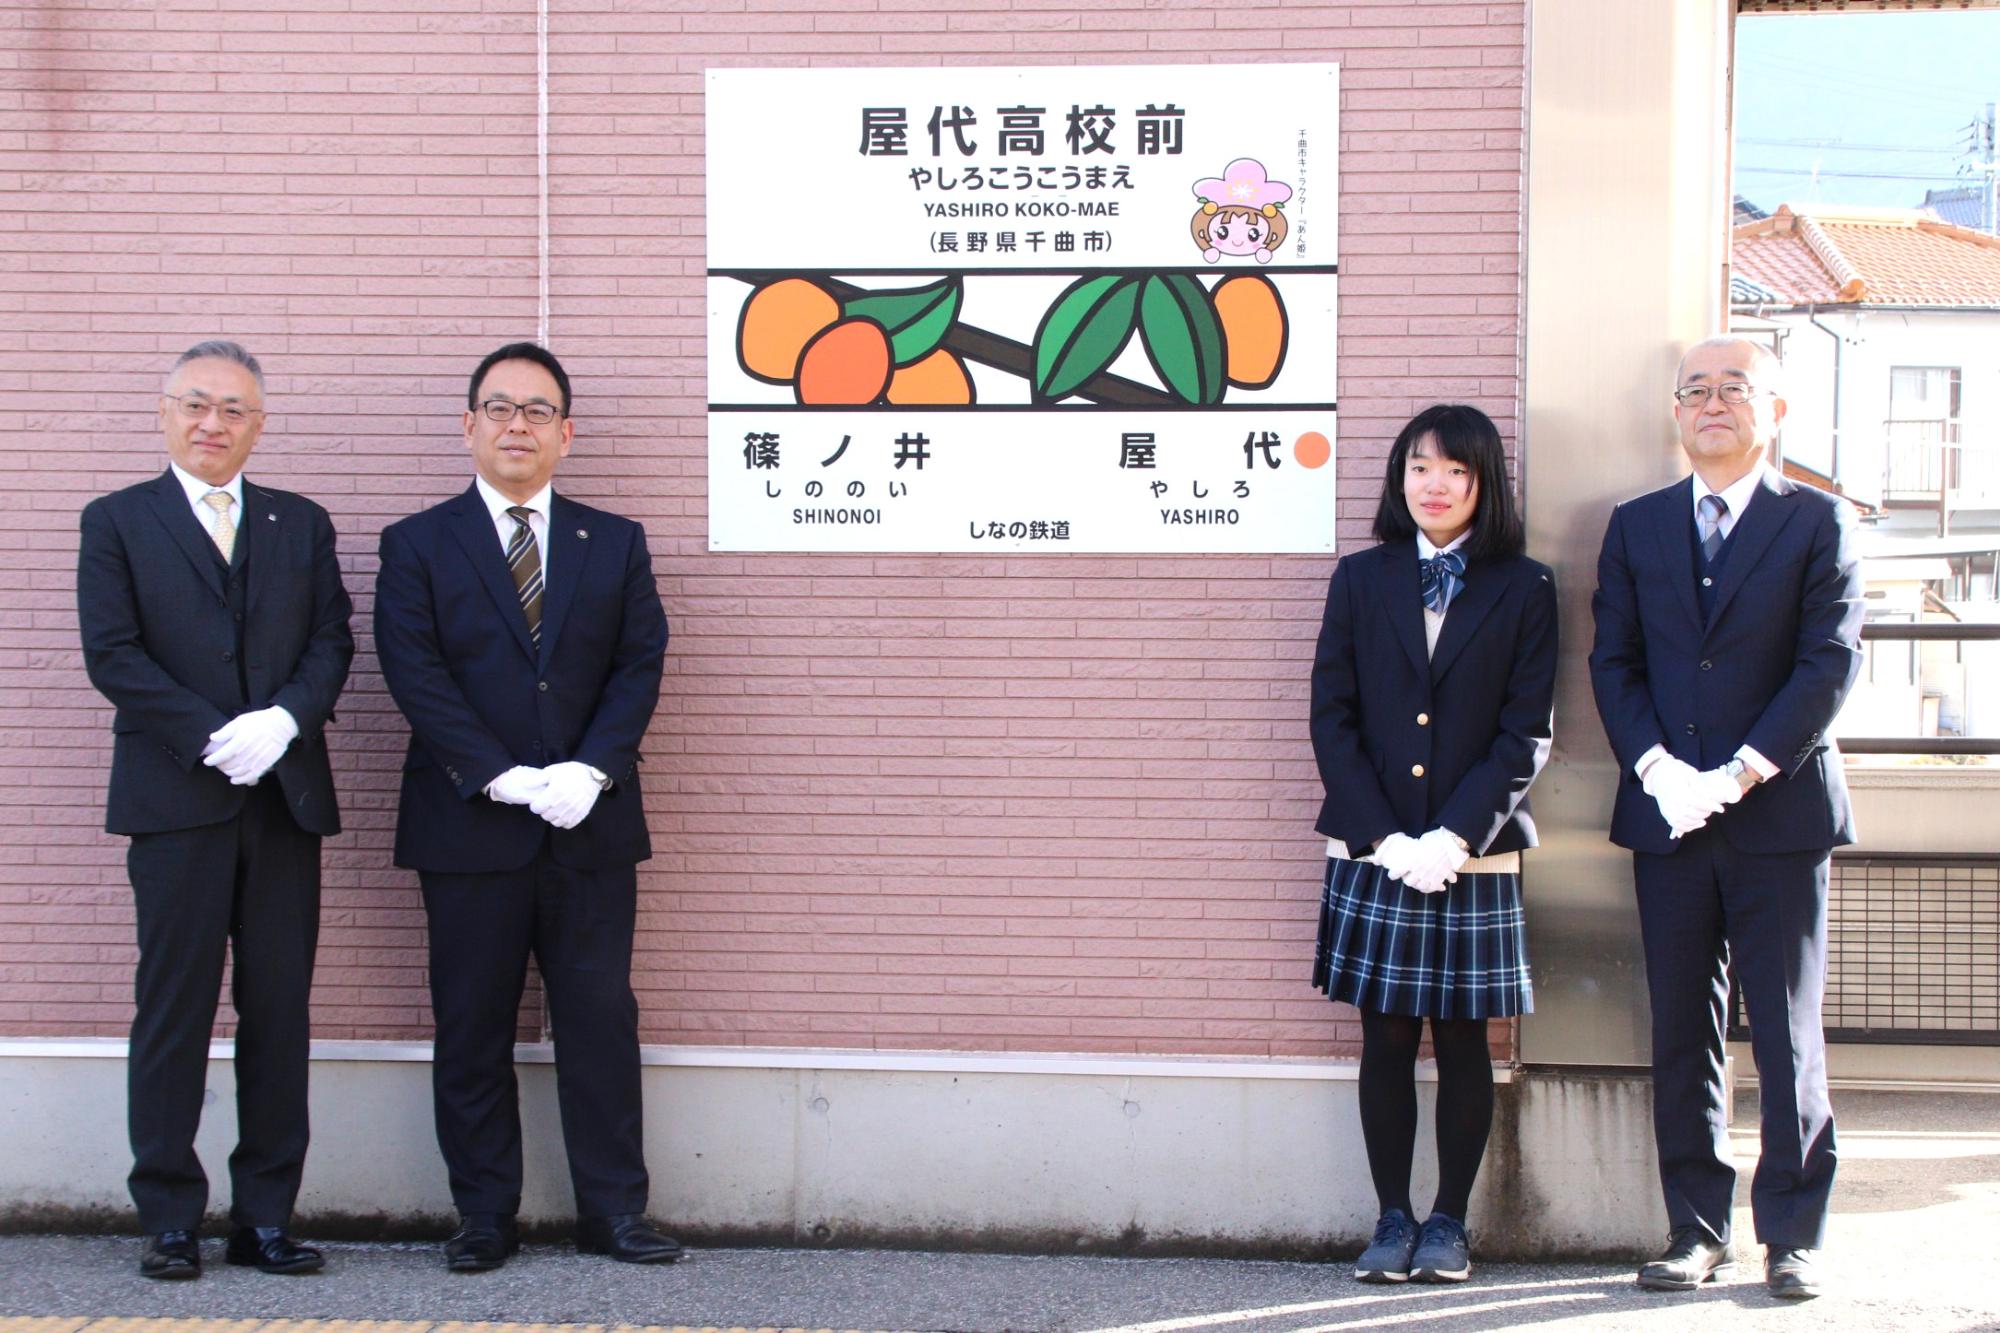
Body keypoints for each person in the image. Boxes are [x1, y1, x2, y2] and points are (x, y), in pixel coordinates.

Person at [373, 342, 675, 1272]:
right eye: (498, 408)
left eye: (537, 410)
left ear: (566, 434)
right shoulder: (417, 542)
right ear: (468, 426)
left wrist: (592, 769)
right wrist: (499, 774)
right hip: (470, 824)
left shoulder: (613, 540)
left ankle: (614, 1212)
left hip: (590, 825)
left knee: (598, 1021)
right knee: (470, 1026)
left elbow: (639, 662)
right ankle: (483, 1217)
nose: (517, 424)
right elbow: (413, 670)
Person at [1589, 336, 1864, 1301]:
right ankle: (1695, 1229)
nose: (1714, 403)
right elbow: (1613, 661)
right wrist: (1661, 768)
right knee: (1680, 1025)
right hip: (1667, 814)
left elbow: (1828, 663)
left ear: (1775, 410)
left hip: (1778, 811)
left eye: (1735, 388)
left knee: (1787, 1030)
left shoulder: (1818, 522)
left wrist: (1742, 770)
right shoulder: (1638, 525)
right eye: (1695, 390)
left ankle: (1793, 1233)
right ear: (1674, 412)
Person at [77, 340, 354, 1279]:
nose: (213, 423)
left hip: (283, 800)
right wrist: (210, 732)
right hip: (175, 798)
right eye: (196, 404)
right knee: (175, 1006)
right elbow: (113, 654)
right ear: (165, 412)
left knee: (279, 1010)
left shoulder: (300, 523)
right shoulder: (116, 520)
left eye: (234, 409)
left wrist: (283, 720)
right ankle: (168, 1216)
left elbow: (331, 639)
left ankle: (265, 1215)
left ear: (259, 424)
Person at [1308, 403, 1557, 1285]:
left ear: (1483, 483)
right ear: (1398, 479)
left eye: (1454, 469)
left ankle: (1449, 1221)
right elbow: (1331, 718)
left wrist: (1452, 834)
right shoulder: (1359, 579)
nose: (1434, 484)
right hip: (1375, 851)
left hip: (1474, 853)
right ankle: (1390, 1217)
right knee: (1385, 1035)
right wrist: (1385, 835)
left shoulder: (1524, 586)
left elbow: (1527, 731)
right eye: (1419, 467)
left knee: (1461, 1040)